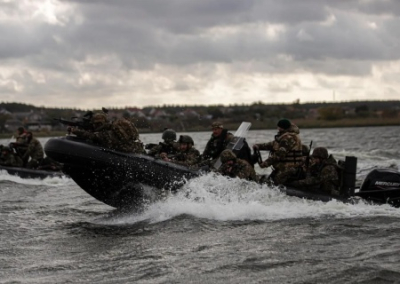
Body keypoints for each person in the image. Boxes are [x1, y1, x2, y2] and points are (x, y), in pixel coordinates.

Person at [253, 118, 303, 185]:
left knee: (274, 184)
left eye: (278, 126)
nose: (277, 128)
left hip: (289, 168)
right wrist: (258, 146)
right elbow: (272, 144)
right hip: (283, 167)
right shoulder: (284, 136)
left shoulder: (288, 138)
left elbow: (279, 154)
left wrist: (266, 163)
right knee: (269, 182)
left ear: (281, 127)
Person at [71, 112, 146, 154]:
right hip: (133, 149)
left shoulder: (107, 133)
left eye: (96, 124)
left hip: (128, 151)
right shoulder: (110, 130)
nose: (95, 126)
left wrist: (75, 131)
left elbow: (92, 136)